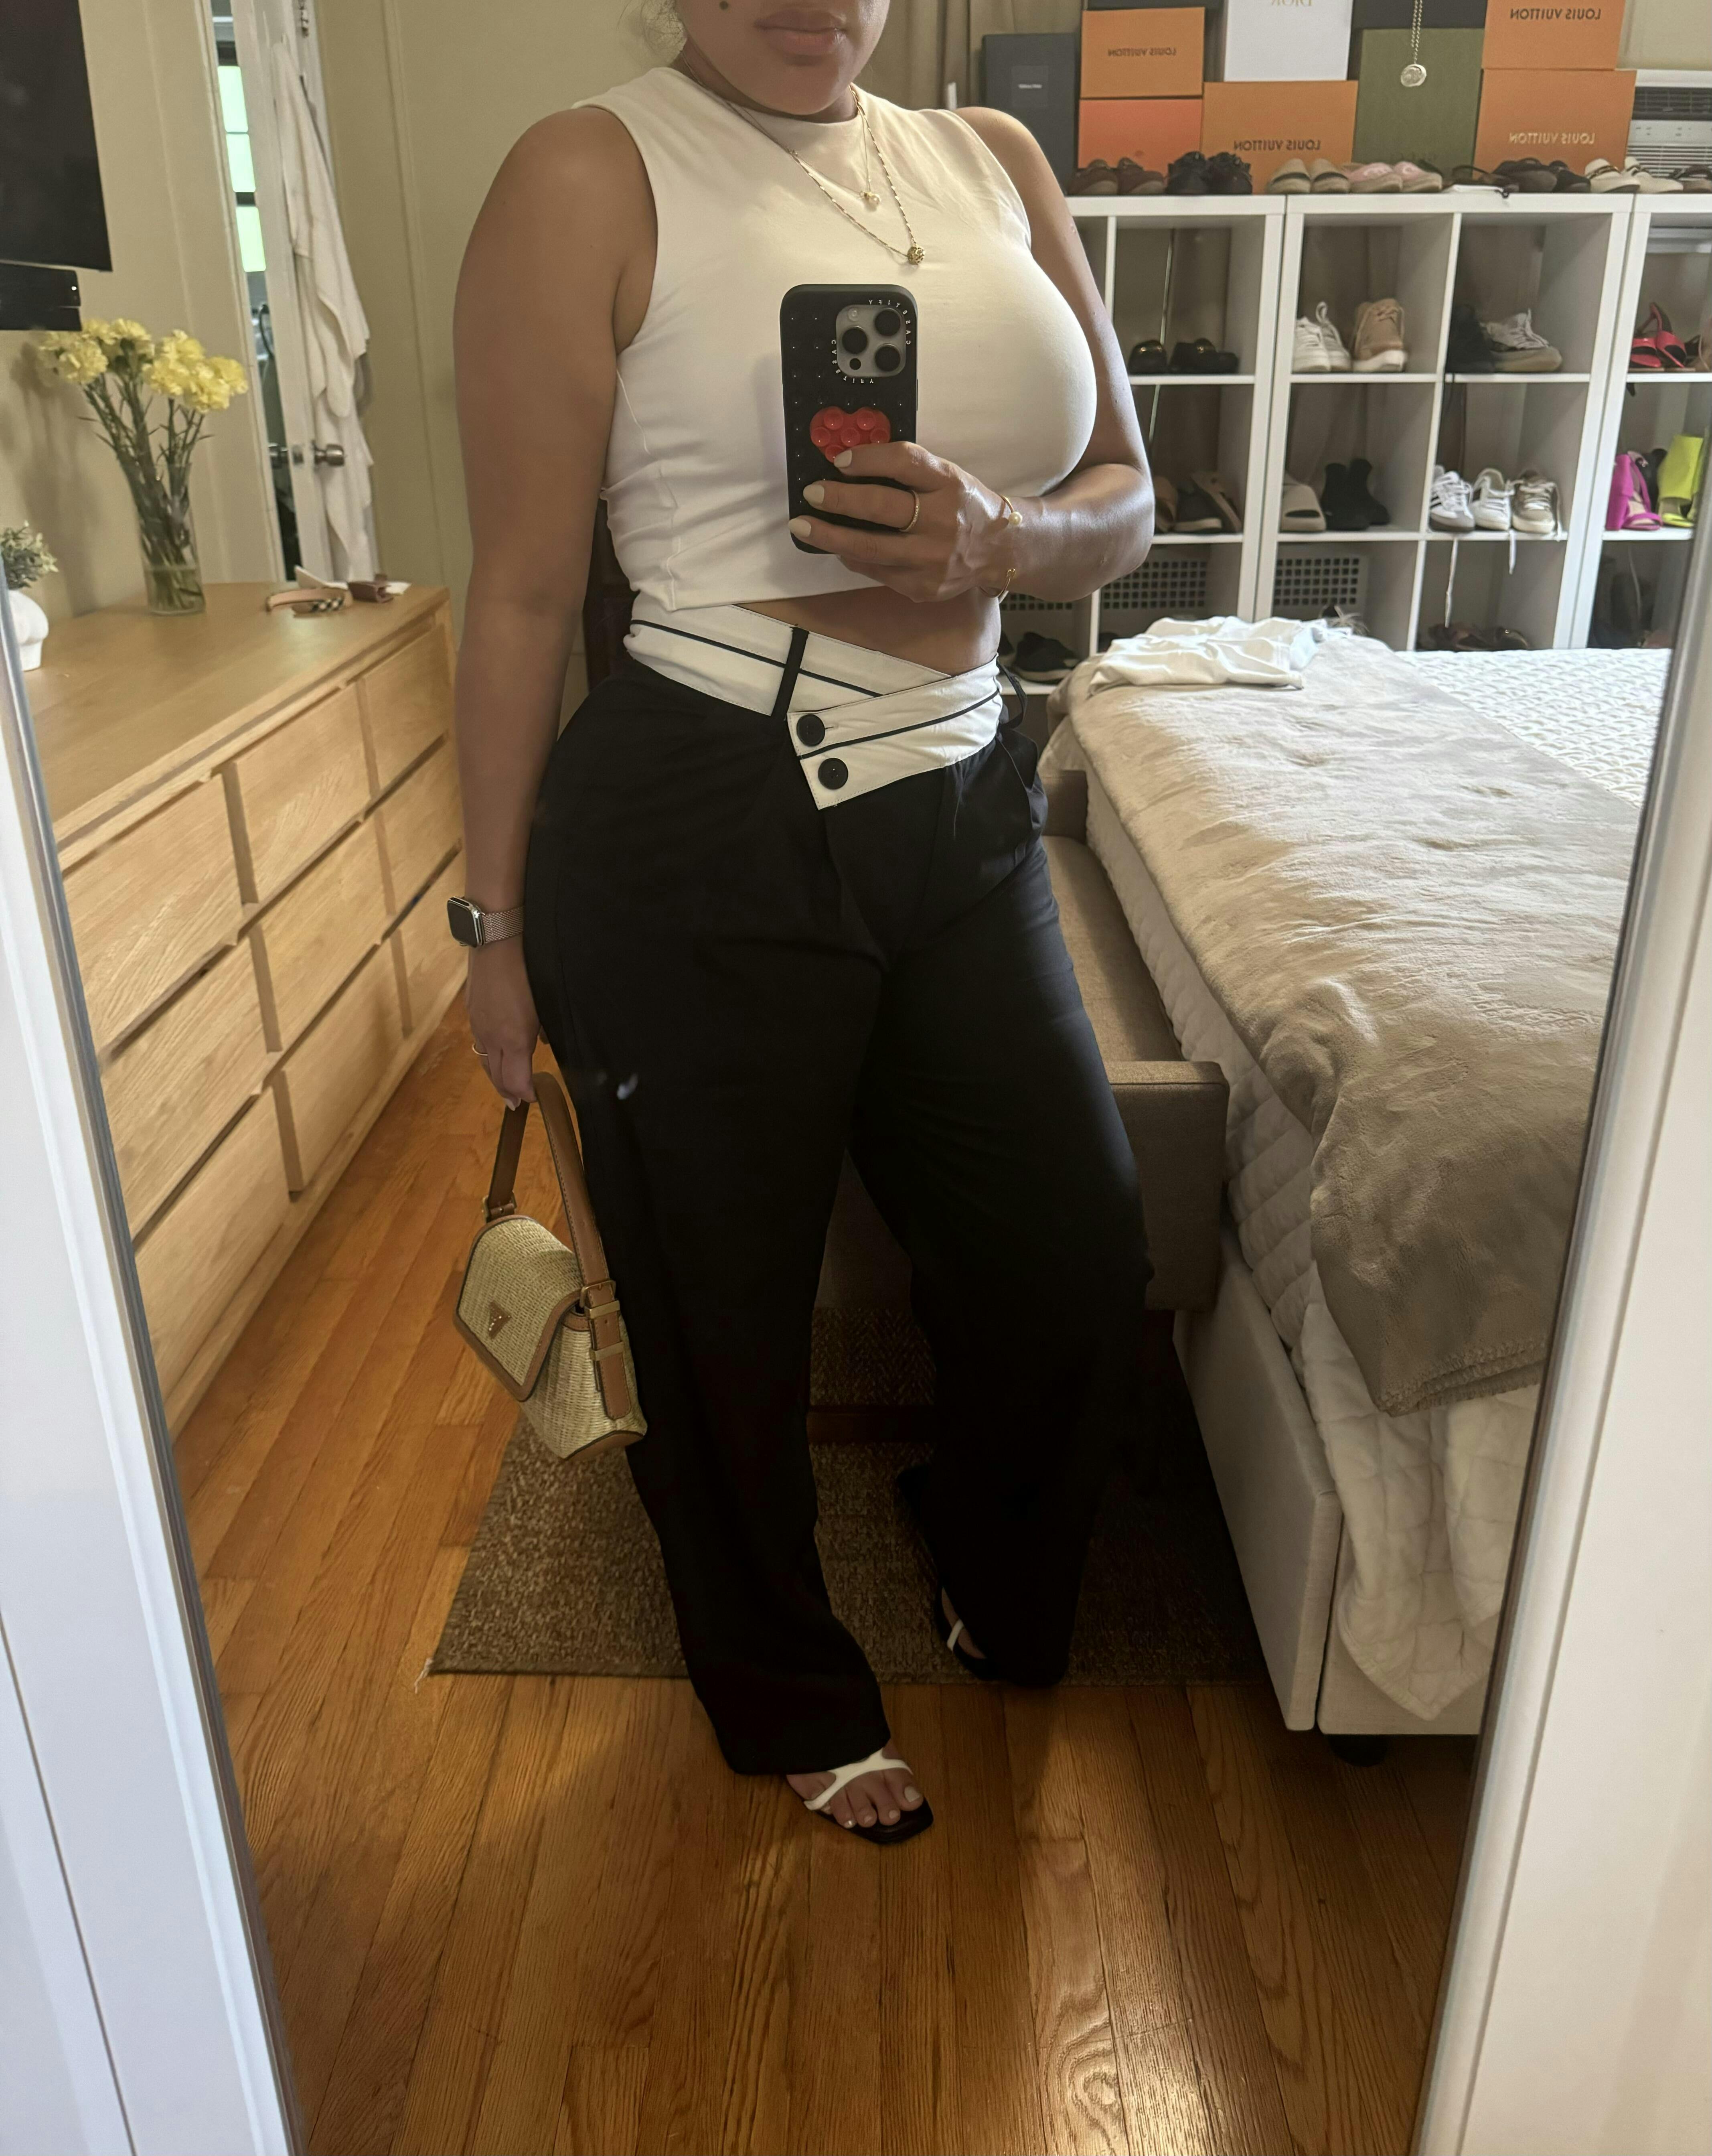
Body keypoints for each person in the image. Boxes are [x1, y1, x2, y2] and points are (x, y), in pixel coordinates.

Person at [452, 0, 1155, 1843]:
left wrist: (1008, 539)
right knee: (720, 1308)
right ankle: (783, 1689)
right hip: (703, 809)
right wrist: (490, 927)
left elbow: (1132, 497)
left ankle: (981, 1546)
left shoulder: (991, 157)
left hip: (972, 791)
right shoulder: (589, 171)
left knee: (1073, 1258)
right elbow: (520, 591)